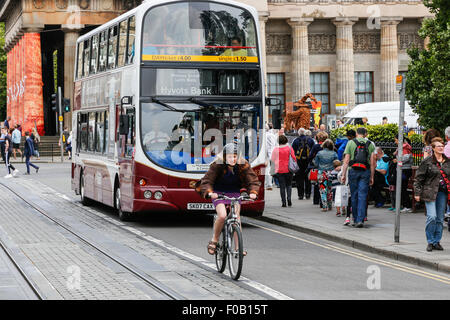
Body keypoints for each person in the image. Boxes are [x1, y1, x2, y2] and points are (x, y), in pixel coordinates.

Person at [195, 143, 260, 256]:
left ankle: (238, 248)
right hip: (218, 193)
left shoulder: (243, 164)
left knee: (237, 216)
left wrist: (253, 192)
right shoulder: (217, 165)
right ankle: (214, 240)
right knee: (222, 215)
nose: (233, 159)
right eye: (230, 156)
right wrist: (210, 193)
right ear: (225, 157)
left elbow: (252, 179)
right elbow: (207, 181)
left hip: (234, 193)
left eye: (235, 156)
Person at [414, 137, 450, 252]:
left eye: (442, 146)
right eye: (438, 146)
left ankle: (436, 242)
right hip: (429, 192)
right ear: (433, 148)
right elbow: (418, 178)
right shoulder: (427, 161)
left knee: (439, 218)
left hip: (443, 193)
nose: (441, 148)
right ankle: (430, 241)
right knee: (432, 216)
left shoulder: (448, 161)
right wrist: (417, 193)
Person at [341, 127, 376, 228]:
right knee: (362, 196)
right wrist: (372, 176)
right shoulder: (370, 144)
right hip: (365, 171)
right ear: (365, 134)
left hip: (353, 171)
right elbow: (373, 162)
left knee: (354, 195)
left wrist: (343, 174)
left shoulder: (350, 143)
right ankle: (361, 219)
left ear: (356, 133)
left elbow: (346, 160)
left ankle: (355, 219)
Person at [271, 135, 296, 207]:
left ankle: (283, 202)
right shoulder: (289, 148)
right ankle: (289, 199)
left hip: (279, 170)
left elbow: (272, 160)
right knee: (289, 185)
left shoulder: (276, 149)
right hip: (289, 169)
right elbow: (294, 158)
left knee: (282, 186)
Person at [314, 139, 338, 212]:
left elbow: (316, 164)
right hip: (331, 173)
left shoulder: (319, 153)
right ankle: (330, 205)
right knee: (330, 189)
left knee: (323, 190)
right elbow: (336, 163)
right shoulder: (334, 153)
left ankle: (324, 206)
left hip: (321, 173)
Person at [292, 128, 314, 200]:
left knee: (299, 178)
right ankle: (308, 194)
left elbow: (293, 152)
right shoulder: (310, 140)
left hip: (299, 161)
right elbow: (313, 151)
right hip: (308, 162)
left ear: (299, 133)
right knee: (308, 178)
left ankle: (300, 195)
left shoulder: (296, 140)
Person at [308, 131, 328, 205]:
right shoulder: (328, 146)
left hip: (317, 166)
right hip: (327, 166)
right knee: (325, 183)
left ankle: (316, 199)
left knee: (317, 183)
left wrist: (311, 163)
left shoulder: (316, 146)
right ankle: (323, 200)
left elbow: (310, 156)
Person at [265, 123, 277, 190]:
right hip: (272, 154)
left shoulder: (264, 136)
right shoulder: (272, 135)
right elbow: (275, 145)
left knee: (266, 169)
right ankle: (269, 184)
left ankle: (267, 184)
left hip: (266, 155)